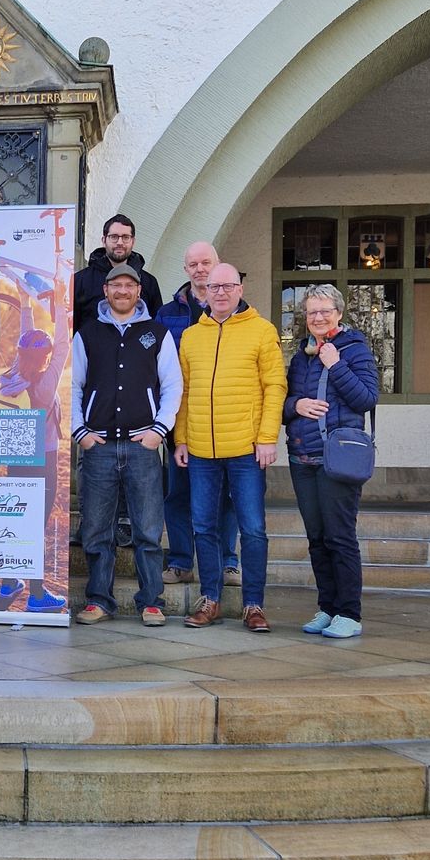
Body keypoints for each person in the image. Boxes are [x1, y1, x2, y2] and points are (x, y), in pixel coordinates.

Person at [174, 263, 286, 633]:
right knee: (204, 527)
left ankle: (253, 604)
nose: (220, 292)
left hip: (245, 449)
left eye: (228, 286)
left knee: (253, 529)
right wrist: (182, 439)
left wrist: (268, 437)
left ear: (240, 289)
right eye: (213, 286)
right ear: (203, 291)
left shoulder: (261, 330)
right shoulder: (192, 336)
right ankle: (211, 600)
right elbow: (184, 392)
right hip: (202, 449)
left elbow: (275, 387)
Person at [71, 263, 182, 625]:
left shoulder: (157, 333)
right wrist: (81, 433)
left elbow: (172, 386)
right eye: (115, 285)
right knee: (96, 529)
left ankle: (151, 601)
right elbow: (71, 386)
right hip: (98, 446)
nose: (122, 291)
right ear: (105, 291)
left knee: (148, 530)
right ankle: (99, 600)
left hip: (142, 445)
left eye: (129, 285)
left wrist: (158, 431)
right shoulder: (87, 334)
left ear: (139, 291)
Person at [283, 283, 378, 639]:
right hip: (302, 458)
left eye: (324, 311)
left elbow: (366, 398)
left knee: (340, 537)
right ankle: (327, 608)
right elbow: (284, 401)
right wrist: (296, 406)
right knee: (317, 537)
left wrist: (336, 364)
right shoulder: (300, 356)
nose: (318, 317)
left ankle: (349, 613)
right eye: (312, 312)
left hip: (336, 459)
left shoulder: (355, 350)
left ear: (339, 313)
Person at [157, 241, 241, 588]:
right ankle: (180, 561)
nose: (200, 269)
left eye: (206, 262)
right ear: (186, 269)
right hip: (180, 420)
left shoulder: (239, 310)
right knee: (177, 494)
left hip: (225, 420)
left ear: (218, 264)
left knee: (227, 496)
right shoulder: (167, 314)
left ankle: (228, 562)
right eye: (193, 264)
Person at [0, 274, 70, 614]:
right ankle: (37, 595)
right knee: (34, 526)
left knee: (17, 520)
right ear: (46, 357)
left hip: (16, 457)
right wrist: (61, 306)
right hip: (44, 459)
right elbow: (64, 344)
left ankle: (9, 582)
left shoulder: (13, 374)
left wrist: (24, 302)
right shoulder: (46, 381)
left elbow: (26, 339)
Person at [72, 214, 163, 332]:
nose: (120, 242)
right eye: (114, 237)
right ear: (104, 240)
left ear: (133, 241)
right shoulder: (80, 280)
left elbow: (156, 327)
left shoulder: (149, 282)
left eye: (125, 237)